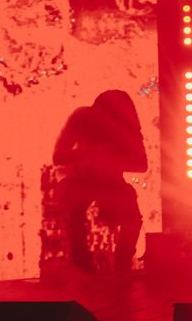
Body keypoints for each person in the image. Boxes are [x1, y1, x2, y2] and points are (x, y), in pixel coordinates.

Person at [52, 89, 148, 273]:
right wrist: (93, 154)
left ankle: (122, 265)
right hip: (79, 179)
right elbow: (58, 156)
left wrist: (111, 158)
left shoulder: (127, 127)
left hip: (110, 182)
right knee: (72, 201)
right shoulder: (82, 117)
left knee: (132, 215)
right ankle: (82, 265)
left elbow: (142, 164)